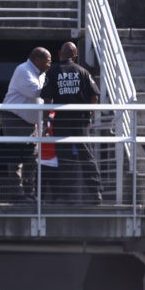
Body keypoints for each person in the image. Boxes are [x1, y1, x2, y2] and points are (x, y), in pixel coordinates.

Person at [39, 42, 102, 205]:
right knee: (86, 156)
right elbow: (94, 95)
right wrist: (89, 114)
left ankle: (66, 196)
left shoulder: (52, 72)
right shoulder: (83, 71)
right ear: (75, 56)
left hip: (61, 121)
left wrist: (46, 122)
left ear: (60, 53)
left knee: (65, 158)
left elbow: (47, 100)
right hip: (80, 120)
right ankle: (96, 194)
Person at [0, 47, 51, 203]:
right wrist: (53, 86)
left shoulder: (41, 74)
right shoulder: (23, 70)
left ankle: (29, 192)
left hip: (30, 122)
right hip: (14, 118)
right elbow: (34, 92)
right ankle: (17, 194)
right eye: (48, 61)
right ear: (37, 60)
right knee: (16, 156)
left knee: (31, 158)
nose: (49, 64)